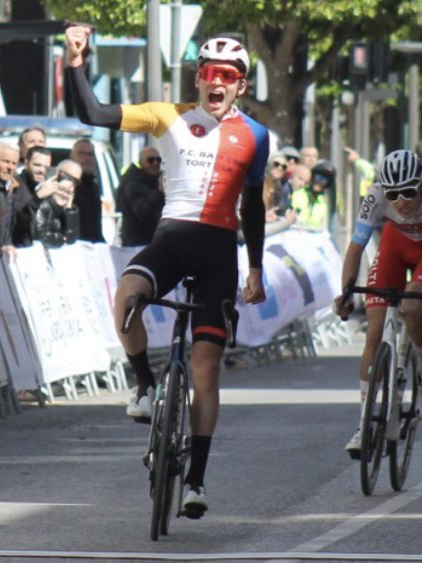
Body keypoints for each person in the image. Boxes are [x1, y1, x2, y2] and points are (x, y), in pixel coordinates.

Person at [67, 28, 268, 518]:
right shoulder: (167, 116)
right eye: (209, 74)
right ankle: (144, 384)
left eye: (228, 76)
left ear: (241, 85)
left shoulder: (257, 136)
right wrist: (75, 62)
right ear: (198, 78)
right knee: (128, 294)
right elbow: (92, 114)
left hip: (220, 249)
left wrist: (257, 268)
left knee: (206, 368)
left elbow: (254, 207)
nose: (216, 83)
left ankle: (196, 480)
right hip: (172, 239)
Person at [333, 149, 422, 458]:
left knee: (413, 306)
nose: (401, 200)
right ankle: (365, 423)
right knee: (374, 331)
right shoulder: (376, 196)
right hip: (395, 247)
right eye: (393, 194)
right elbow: (355, 249)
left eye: (408, 192)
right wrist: (347, 293)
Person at [116, 146, 164, 246]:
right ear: (141, 163)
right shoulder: (132, 183)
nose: (155, 163)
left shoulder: (156, 180)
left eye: (158, 160)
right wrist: (158, 192)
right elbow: (143, 214)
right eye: (150, 160)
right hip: (136, 245)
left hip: (155, 243)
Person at [34, 160, 82, 246]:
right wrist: (62, 239)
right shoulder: (43, 202)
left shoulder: (66, 206)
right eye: (61, 189)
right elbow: (41, 235)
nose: (63, 194)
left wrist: (69, 210)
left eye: (76, 181)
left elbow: (72, 238)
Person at [70, 138, 105, 243]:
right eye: (81, 153)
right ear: (72, 157)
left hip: (92, 246)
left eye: (90, 154)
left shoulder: (93, 184)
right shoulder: (66, 183)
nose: (86, 158)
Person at [288, 164, 329, 231]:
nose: (320, 181)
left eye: (324, 180)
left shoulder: (323, 205)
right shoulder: (297, 193)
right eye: (317, 177)